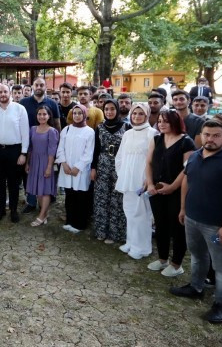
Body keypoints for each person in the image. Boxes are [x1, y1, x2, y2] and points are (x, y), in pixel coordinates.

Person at [169, 119, 222, 324]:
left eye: (215, 135)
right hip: (192, 219)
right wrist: (183, 208)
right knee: (197, 256)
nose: (210, 139)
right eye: (207, 134)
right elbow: (187, 181)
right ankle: (196, 287)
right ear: (201, 135)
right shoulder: (195, 156)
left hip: (216, 226)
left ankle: (220, 304)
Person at [145, 110, 195, 277]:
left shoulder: (186, 142)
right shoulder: (156, 139)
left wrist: (172, 187)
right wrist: (150, 183)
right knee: (160, 225)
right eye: (159, 121)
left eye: (165, 121)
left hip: (177, 191)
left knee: (177, 228)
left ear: (175, 122)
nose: (161, 124)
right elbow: (149, 163)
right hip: (157, 190)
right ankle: (162, 259)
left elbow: (187, 169)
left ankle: (176, 264)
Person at [115, 103, 158, 259]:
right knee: (129, 211)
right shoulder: (128, 133)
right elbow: (120, 157)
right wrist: (122, 174)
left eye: (140, 114)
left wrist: (148, 179)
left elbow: (153, 159)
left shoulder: (152, 133)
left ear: (146, 115)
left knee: (142, 214)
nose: (137, 116)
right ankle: (131, 242)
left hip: (141, 180)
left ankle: (141, 247)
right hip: (127, 178)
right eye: (134, 113)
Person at [0, 85, 29, 223]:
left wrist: (23, 153)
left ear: (9, 93)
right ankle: (1, 209)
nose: (3, 94)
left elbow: (25, 133)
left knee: (14, 182)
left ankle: (14, 210)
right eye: (0, 92)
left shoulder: (19, 109)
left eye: (5, 91)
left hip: (14, 150)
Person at [91, 100, 129, 244]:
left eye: (112, 109)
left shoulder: (126, 126)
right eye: (106, 109)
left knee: (117, 199)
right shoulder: (99, 127)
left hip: (120, 167)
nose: (109, 112)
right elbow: (95, 150)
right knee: (101, 199)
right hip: (102, 165)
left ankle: (115, 234)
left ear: (117, 110)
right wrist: (93, 168)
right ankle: (101, 231)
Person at [56, 105, 95, 233]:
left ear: (84, 115)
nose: (77, 115)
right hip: (67, 169)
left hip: (80, 171)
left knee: (81, 197)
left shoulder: (89, 131)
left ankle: (80, 224)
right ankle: (70, 220)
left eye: (80, 113)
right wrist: (64, 164)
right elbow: (60, 148)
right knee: (70, 196)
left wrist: (78, 167)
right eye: (75, 113)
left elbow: (88, 153)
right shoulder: (66, 130)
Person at [26, 107, 59, 226]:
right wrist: (28, 163)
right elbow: (30, 148)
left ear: (49, 116)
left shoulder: (52, 131)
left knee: (45, 190)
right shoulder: (33, 129)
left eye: (44, 114)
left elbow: (52, 151)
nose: (42, 116)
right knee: (38, 190)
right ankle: (44, 213)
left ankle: (41, 215)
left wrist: (49, 167)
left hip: (46, 161)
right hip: (35, 161)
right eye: (39, 114)